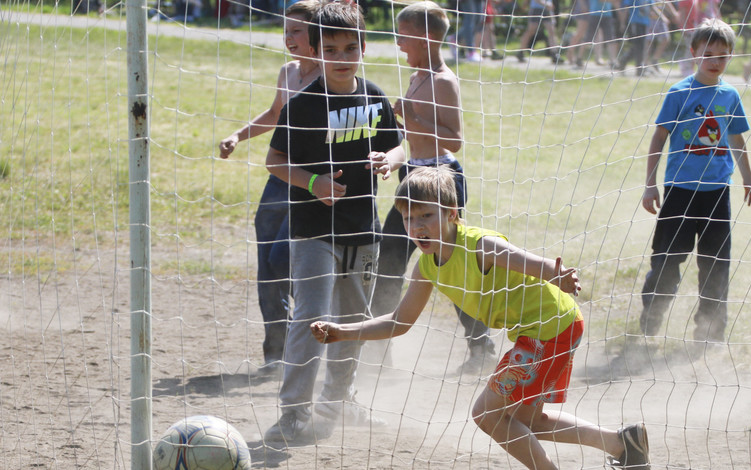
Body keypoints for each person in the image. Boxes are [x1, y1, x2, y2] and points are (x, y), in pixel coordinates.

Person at [311, 166, 651, 470]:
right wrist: (343, 331)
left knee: (487, 415)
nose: (417, 227)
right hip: (550, 328)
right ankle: (623, 443)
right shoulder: (426, 267)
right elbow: (400, 321)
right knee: (525, 420)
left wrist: (554, 273)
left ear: (452, 214)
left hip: (550, 329)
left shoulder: (478, 245)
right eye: (409, 219)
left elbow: (522, 258)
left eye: (426, 216)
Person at [262, 1, 406, 445]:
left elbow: (400, 146)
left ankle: (338, 401)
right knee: (311, 318)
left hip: (363, 232)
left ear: (363, 47)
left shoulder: (375, 96)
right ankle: (292, 413)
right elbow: (274, 161)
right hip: (313, 233)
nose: (341, 58)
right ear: (315, 50)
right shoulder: (303, 105)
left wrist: (389, 160)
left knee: (353, 321)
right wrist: (314, 183)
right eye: (331, 49)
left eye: (350, 48)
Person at [374, 1, 497, 374]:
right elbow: (412, 138)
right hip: (412, 176)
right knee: (389, 262)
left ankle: (482, 348)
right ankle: (379, 355)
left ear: (427, 37)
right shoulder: (417, 75)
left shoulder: (443, 80)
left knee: (449, 264)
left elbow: (454, 139)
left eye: (404, 36)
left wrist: (409, 115)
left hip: (441, 180)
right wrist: (392, 158)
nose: (398, 43)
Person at [640, 18, 751, 344]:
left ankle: (710, 333)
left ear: (730, 57)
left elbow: (737, 141)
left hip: (717, 194)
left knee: (716, 266)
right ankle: (652, 315)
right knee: (667, 260)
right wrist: (650, 184)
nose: (715, 62)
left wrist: (749, 180)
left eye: (722, 56)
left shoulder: (730, 95)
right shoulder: (679, 93)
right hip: (679, 192)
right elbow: (658, 139)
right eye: (708, 54)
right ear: (694, 53)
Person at [218, 0, 320, 371]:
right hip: (279, 180)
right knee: (268, 266)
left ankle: (312, 338)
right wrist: (238, 135)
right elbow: (275, 113)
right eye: (286, 30)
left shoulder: (330, 79)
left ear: (316, 34)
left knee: (284, 262)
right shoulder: (288, 72)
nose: (288, 37)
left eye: (297, 31)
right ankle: (276, 355)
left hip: (311, 186)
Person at [675, 0, 720, 76]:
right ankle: (687, 67)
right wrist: (683, 27)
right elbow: (682, 14)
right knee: (690, 48)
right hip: (689, 28)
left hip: (697, 27)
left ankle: (688, 66)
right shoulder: (686, 1)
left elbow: (707, 10)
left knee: (697, 48)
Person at [618, 0, 654, 76]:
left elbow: (651, 8)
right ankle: (639, 69)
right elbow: (626, 8)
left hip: (645, 23)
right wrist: (622, 23)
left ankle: (624, 60)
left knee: (641, 46)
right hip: (635, 22)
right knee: (638, 46)